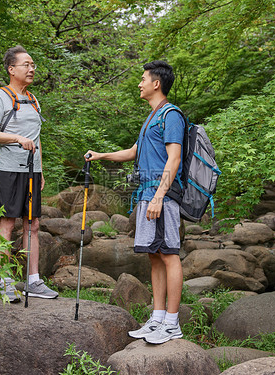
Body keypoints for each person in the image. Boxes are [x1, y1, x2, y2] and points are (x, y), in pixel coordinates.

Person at [85, 61, 185, 344]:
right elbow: (133, 152)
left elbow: (174, 158)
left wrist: (159, 196)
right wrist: (101, 155)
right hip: (146, 193)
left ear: (157, 83)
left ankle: (172, 322)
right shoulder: (152, 117)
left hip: (161, 194)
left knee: (169, 254)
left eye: (143, 79)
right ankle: (157, 318)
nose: (139, 84)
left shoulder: (171, 115)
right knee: (154, 255)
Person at [0, 45, 58, 302]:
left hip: (32, 171)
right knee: (7, 223)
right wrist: (16, 138)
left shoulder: (33, 99)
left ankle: (33, 281)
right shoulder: (0, 96)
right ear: (11, 69)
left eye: (33, 65)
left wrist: (41, 169)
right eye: (26, 64)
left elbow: (38, 138)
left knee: (33, 224)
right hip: (8, 170)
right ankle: (4, 281)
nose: (31, 69)